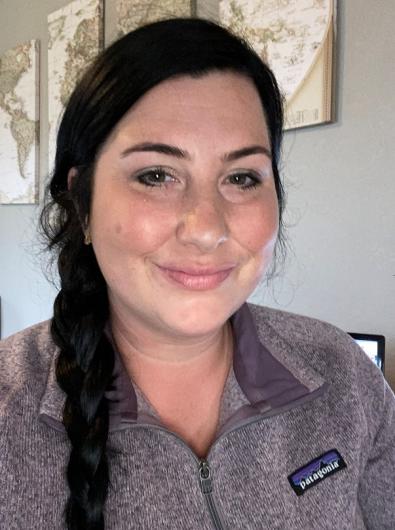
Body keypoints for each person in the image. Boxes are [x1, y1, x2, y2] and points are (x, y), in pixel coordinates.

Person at [0, 17, 394, 530]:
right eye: (156, 176)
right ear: (81, 203)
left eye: (241, 177)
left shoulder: (343, 372)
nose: (207, 228)